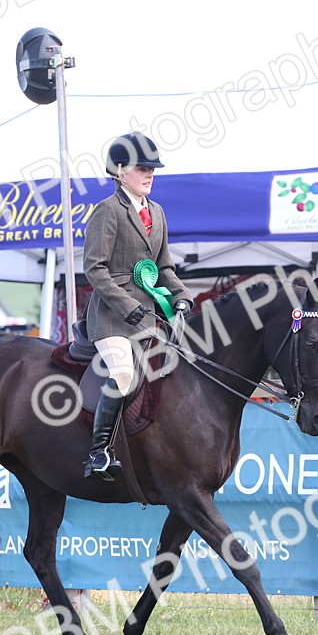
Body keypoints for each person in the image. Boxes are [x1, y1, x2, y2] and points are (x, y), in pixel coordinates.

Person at [81, 132, 193, 481]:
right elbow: (94, 268)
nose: (150, 174)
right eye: (142, 168)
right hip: (112, 318)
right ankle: (98, 453)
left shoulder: (157, 212)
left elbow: (164, 268)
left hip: (148, 316)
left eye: (152, 169)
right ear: (119, 171)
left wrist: (181, 296)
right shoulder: (108, 211)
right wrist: (126, 305)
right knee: (124, 373)